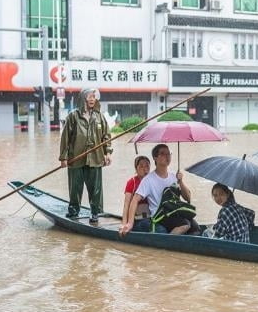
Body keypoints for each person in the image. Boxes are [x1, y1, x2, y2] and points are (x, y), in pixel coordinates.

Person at [59, 88, 112, 224]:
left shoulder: (99, 117)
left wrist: (107, 153)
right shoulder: (73, 116)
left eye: (94, 97)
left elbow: (106, 136)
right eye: (89, 96)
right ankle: (73, 211)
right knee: (75, 187)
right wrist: (63, 157)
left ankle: (95, 213)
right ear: (83, 98)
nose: (92, 99)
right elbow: (65, 137)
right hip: (76, 159)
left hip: (95, 158)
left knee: (95, 188)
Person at [120, 144, 197, 235]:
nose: (167, 156)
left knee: (195, 228)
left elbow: (188, 198)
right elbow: (134, 200)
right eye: (163, 154)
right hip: (160, 216)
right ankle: (167, 243)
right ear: (155, 158)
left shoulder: (174, 176)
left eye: (168, 154)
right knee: (185, 225)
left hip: (175, 212)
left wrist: (181, 182)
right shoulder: (148, 180)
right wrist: (129, 223)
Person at [119, 155, 151, 234]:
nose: (145, 169)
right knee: (146, 225)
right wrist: (124, 224)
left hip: (151, 218)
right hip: (137, 220)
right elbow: (126, 205)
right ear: (136, 169)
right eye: (141, 166)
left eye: (147, 166)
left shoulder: (152, 181)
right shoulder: (132, 182)